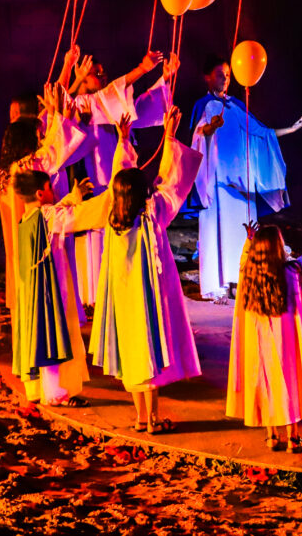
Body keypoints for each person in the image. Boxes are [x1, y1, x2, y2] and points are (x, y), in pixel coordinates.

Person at [60, 108, 203, 434]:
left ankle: (141, 418)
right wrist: (169, 137)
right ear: (143, 192)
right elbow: (173, 182)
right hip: (149, 300)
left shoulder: (110, 211)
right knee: (149, 356)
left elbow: (103, 194)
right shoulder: (154, 213)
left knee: (133, 359)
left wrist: (124, 141)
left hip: (123, 301)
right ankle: (150, 419)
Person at [61, 47, 180, 308]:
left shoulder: (107, 107)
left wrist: (165, 78)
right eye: (95, 74)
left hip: (121, 190)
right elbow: (62, 109)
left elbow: (143, 106)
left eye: (103, 73)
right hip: (96, 186)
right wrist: (141, 68)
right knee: (95, 236)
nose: (101, 77)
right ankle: (94, 295)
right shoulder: (82, 105)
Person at [191, 56, 302, 301]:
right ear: (207, 77)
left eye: (227, 74)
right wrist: (211, 127)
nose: (225, 79)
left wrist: (291, 129)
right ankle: (218, 284)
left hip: (241, 183)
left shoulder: (236, 106)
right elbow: (198, 135)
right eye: (219, 74)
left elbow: (262, 133)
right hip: (218, 182)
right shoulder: (204, 105)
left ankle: (243, 277)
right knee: (217, 230)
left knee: (243, 230)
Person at [226, 219, 302, 453]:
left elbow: (244, 262)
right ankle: (293, 437)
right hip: (287, 344)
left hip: (259, 346)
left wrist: (250, 242)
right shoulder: (293, 272)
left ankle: (271, 436)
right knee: (289, 383)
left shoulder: (250, 276)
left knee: (265, 383)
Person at [0, 83, 88, 313]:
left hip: (18, 241)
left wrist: (57, 114)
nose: (40, 137)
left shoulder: (7, 169)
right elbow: (56, 149)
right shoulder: (29, 165)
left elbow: (51, 145)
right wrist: (60, 114)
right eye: (36, 134)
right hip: (36, 241)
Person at [10, 170, 92, 407]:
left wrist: (72, 196)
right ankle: (57, 394)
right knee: (54, 334)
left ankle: (40, 390)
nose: (53, 193)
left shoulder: (26, 218)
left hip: (32, 292)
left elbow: (57, 213)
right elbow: (73, 217)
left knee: (40, 335)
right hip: (50, 288)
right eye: (49, 189)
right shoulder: (45, 216)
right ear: (39, 193)